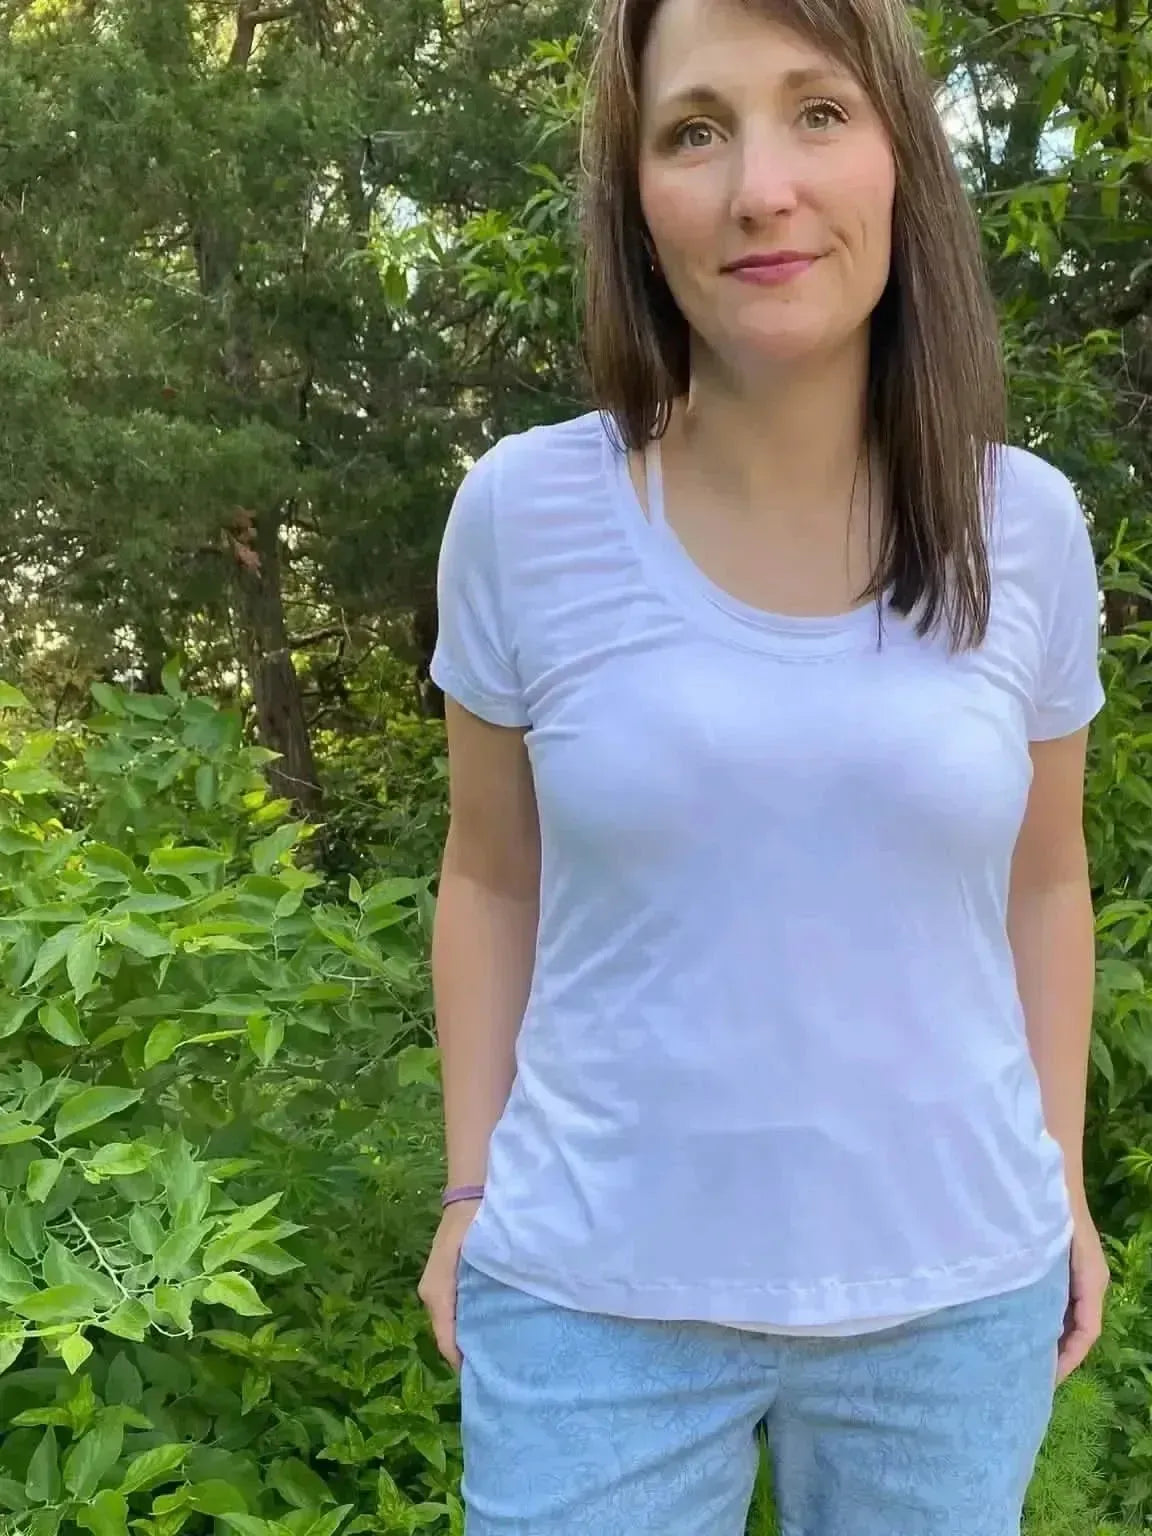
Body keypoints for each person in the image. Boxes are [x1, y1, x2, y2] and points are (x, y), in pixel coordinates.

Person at [419, 0, 1111, 1528]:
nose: (760, 190)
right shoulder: (524, 515)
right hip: (593, 1295)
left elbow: (1046, 884)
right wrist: (471, 1190)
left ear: (899, 162)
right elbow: (488, 876)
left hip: (951, 1303)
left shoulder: (1029, 529)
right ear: (635, 195)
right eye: (694, 130)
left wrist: (1058, 1182)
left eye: (818, 111)